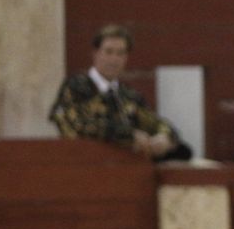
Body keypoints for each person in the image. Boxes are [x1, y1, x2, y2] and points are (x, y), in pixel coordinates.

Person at [49, 25, 188, 161]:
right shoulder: (76, 87)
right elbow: (78, 124)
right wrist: (130, 136)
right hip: (82, 166)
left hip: (124, 170)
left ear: (126, 57)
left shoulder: (127, 95)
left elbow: (156, 123)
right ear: (95, 53)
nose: (114, 59)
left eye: (120, 53)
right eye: (109, 52)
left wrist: (165, 137)